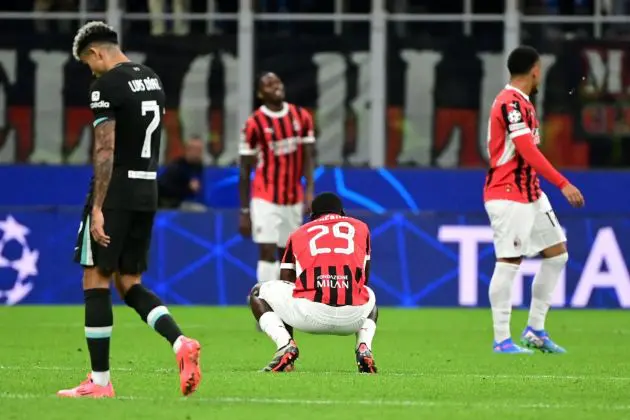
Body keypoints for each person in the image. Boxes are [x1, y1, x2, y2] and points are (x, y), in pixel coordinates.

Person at [58, 21, 201, 398]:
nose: (91, 72)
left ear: (97, 53)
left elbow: (105, 148)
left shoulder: (105, 86)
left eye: (89, 64)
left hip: (118, 189)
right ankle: (180, 342)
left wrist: (99, 206)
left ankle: (100, 382)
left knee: (95, 279)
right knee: (129, 282)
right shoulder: (152, 78)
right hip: (146, 188)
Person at [484, 45, 585, 354]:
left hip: (530, 192)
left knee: (557, 254)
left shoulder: (524, 103)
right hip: (508, 193)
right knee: (509, 262)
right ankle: (502, 339)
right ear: (535, 70)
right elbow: (527, 150)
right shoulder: (509, 103)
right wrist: (563, 183)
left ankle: (535, 330)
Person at [249, 192, 378, 373]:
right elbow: (365, 276)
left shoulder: (298, 233)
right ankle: (364, 347)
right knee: (368, 294)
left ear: (312, 215)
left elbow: (287, 281)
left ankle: (285, 346)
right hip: (353, 318)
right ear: (342, 212)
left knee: (258, 292)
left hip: (311, 315)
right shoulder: (361, 228)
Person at [239, 72, 315, 289]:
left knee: (287, 254)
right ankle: (265, 302)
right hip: (265, 195)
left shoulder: (301, 116)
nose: (276, 87)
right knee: (266, 248)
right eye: (269, 84)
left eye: (277, 82)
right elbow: (244, 169)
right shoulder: (254, 123)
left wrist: (309, 190)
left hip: (293, 197)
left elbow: (309, 156)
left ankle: (285, 304)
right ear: (260, 93)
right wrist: (245, 210)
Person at [158, 136, 204, 209]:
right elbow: (164, 188)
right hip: (169, 204)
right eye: (195, 149)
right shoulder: (176, 167)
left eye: (199, 150)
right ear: (187, 150)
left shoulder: (199, 167)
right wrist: (187, 188)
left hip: (185, 202)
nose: (197, 153)